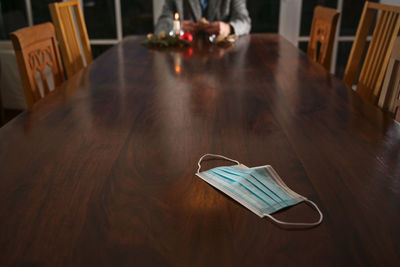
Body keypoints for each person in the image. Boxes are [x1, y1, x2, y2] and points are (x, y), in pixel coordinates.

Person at [155, 0, 251, 36]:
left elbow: (245, 21)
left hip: (223, 60)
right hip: (187, 60)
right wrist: (177, 27)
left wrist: (228, 28)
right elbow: (161, 25)